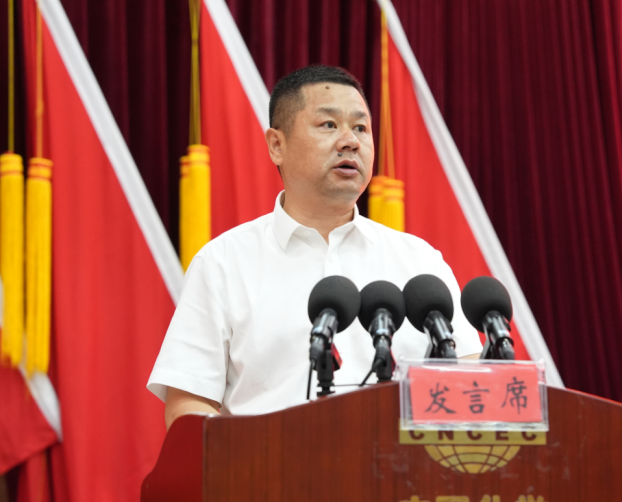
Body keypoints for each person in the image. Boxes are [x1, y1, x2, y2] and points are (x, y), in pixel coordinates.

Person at [147, 65, 481, 429]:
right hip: (268, 465)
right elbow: (189, 404)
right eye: (329, 125)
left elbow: (470, 385)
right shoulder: (223, 263)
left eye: (361, 128)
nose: (350, 141)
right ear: (277, 145)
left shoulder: (420, 263)